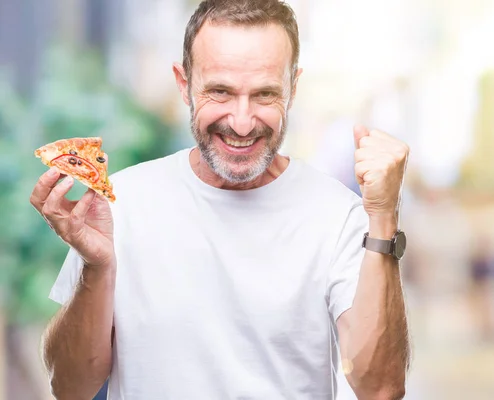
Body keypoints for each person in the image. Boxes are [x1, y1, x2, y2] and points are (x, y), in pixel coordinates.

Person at [29, 1, 410, 399]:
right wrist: (96, 266)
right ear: (184, 83)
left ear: (292, 89)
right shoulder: (120, 206)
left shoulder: (337, 215)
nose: (242, 122)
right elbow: (69, 387)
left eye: (264, 94)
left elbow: (380, 388)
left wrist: (383, 217)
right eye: (220, 91)